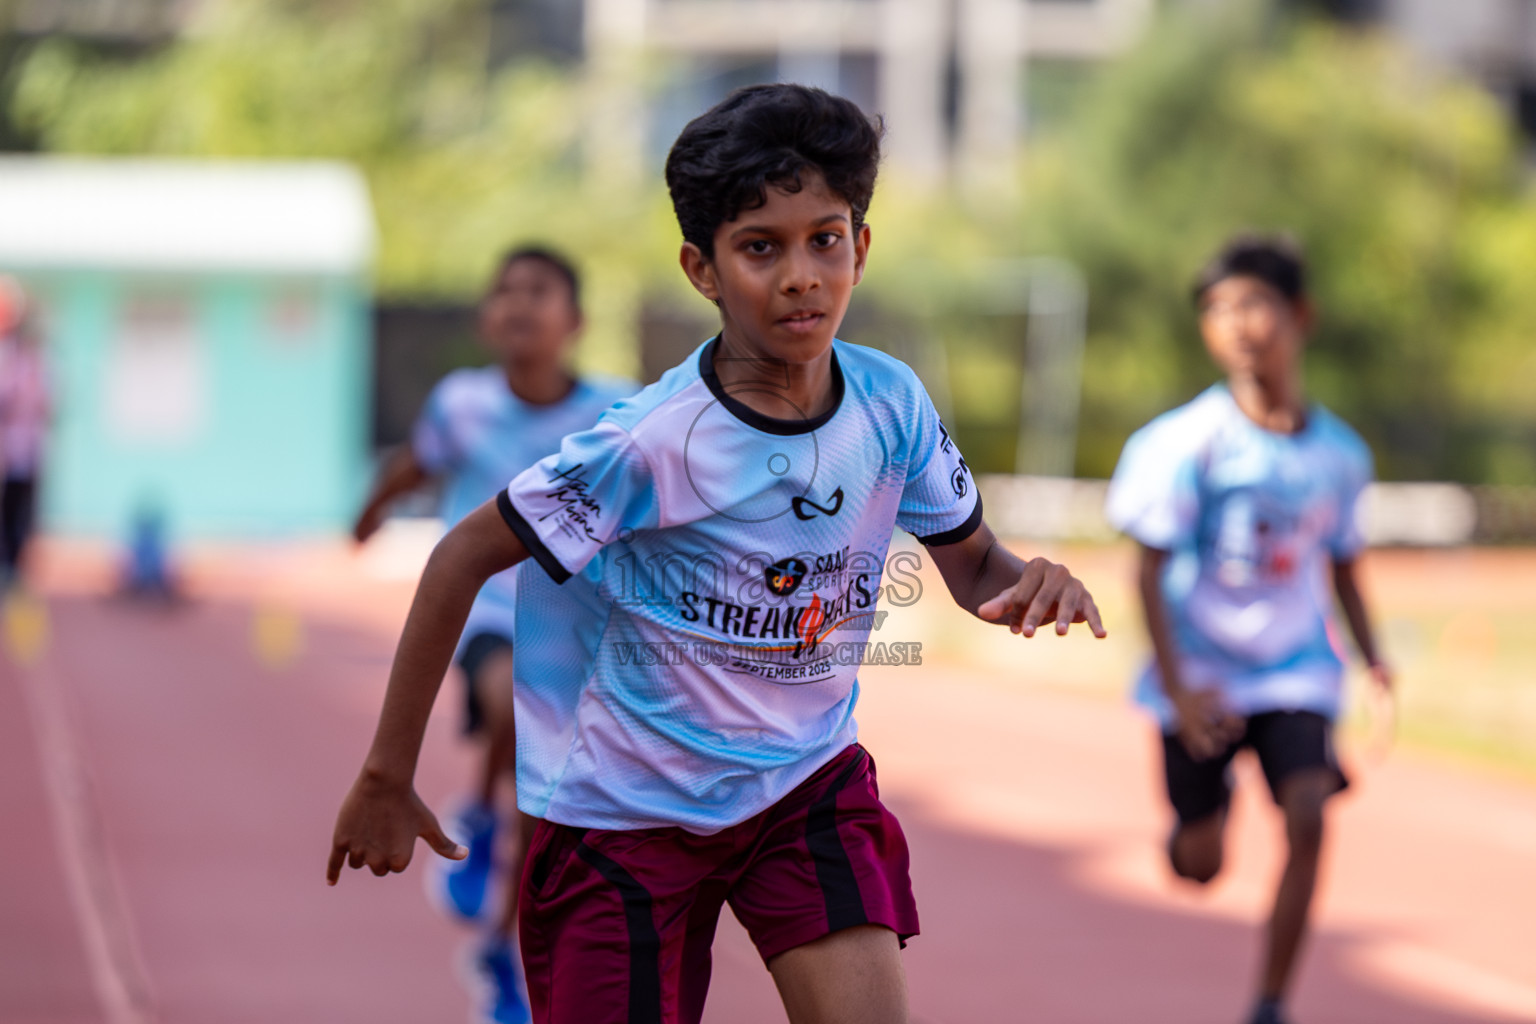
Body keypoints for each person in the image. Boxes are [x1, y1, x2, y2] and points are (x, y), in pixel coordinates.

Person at [328, 83, 1106, 1024]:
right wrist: (387, 770)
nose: (800, 277)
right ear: (703, 269)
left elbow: (974, 564)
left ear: (860, 246)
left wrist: (1031, 585)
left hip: (799, 783)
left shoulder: (891, 403)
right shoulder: (651, 443)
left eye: (825, 239)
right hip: (623, 814)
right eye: (760, 248)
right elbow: (460, 554)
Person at [1105, 235, 1392, 1024]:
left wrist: (1376, 665)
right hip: (1199, 672)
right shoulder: (1183, 443)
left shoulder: (1340, 456)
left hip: (1294, 666)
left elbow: (1343, 567)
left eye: (1253, 304)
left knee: (1308, 813)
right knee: (1199, 867)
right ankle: (1195, 819)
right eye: (1217, 309)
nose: (1235, 324)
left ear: (1300, 316)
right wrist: (1179, 690)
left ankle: (1270, 1002)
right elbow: (1146, 571)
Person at [350, 246, 634, 1024]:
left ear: (573, 322)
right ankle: (478, 809)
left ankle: (504, 952)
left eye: (538, 292)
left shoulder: (615, 411)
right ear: (486, 317)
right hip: (484, 612)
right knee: (509, 709)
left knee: (548, 813)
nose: (518, 304)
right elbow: (418, 464)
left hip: (577, 622)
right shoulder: (462, 402)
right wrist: (371, 512)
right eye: (504, 291)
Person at [0, 278, 51, 590]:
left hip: (28, 450)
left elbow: (46, 402)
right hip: (8, 449)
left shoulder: (38, 361)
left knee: (22, 513)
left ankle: (14, 570)